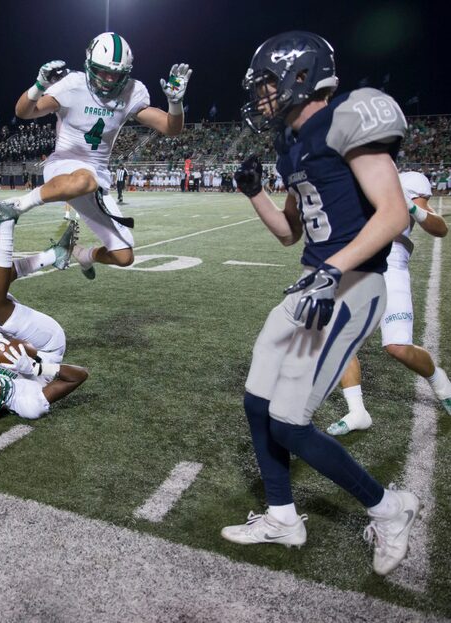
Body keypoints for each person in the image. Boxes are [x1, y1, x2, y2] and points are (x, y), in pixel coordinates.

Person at [222, 31, 420, 577]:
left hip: (352, 284)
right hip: (314, 283)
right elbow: (289, 232)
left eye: (266, 84)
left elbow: (393, 214)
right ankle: (283, 517)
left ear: (299, 76)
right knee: (257, 398)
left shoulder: (348, 118)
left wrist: (333, 269)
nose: (261, 96)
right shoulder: (291, 142)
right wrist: (254, 193)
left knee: (290, 420)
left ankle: (391, 508)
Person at [0, 32, 191, 279]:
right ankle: (15, 206)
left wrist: (175, 103)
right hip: (63, 164)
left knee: (124, 256)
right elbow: (24, 112)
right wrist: (38, 86)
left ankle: (79, 255)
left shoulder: (132, 91)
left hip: (97, 178)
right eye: (102, 71)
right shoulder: (73, 84)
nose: (108, 79)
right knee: (85, 179)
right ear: (89, 64)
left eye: (115, 73)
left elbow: (171, 128)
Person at [328, 170, 450, 434]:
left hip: (391, 264)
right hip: (355, 264)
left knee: (398, 346)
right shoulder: (352, 178)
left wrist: (409, 208)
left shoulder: (406, 181)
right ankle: (357, 411)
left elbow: (440, 229)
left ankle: (440, 382)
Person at [0, 217, 87, 420]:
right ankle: (6, 223)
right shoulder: (27, 405)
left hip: (26, 344)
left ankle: (53, 256)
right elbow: (80, 375)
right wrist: (37, 368)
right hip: (49, 345)